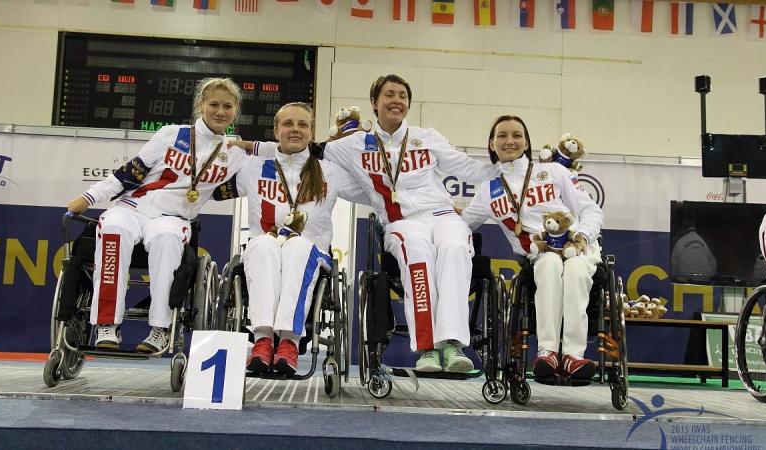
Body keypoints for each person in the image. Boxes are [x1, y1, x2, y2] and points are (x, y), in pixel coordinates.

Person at [246, 75, 499, 373]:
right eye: (389, 94)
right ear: (374, 103)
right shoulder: (352, 145)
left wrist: (505, 168)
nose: (396, 100)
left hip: (442, 214)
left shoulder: (426, 136)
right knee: (416, 253)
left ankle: (453, 344)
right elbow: (304, 149)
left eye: (402, 95)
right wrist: (242, 144)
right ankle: (428, 347)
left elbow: (465, 167)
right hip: (401, 222)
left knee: (456, 248)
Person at [66, 78, 248, 353]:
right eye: (214, 104)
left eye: (227, 106)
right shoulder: (170, 134)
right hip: (133, 208)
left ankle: (161, 328)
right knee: (114, 227)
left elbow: (272, 169)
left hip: (173, 218)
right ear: (200, 105)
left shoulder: (235, 153)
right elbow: (131, 172)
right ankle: (106, 324)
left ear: (235, 111)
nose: (220, 111)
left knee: (166, 237)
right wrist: (90, 197)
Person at [461, 115, 604, 380]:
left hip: (577, 246)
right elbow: (463, 224)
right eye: (502, 136)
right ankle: (547, 353)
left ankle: (574, 355)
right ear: (491, 144)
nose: (509, 141)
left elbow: (590, 209)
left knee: (574, 269)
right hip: (538, 255)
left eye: (517, 135)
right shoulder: (488, 189)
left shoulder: (553, 172)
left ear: (527, 142)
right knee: (548, 264)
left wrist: (583, 235)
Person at [240, 102, 369, 375]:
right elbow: (210, 181)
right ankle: (262, 340)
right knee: (262, 244)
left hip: (312, 251)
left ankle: (288, 342)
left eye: (302, 125)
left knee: (298, 246)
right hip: (265, 246)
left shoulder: (329, 171)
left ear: (312, 133)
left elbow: (372, 191)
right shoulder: (252, 167)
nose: (295, 130)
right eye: (288, 124)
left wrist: (354, 150)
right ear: (276, 130)